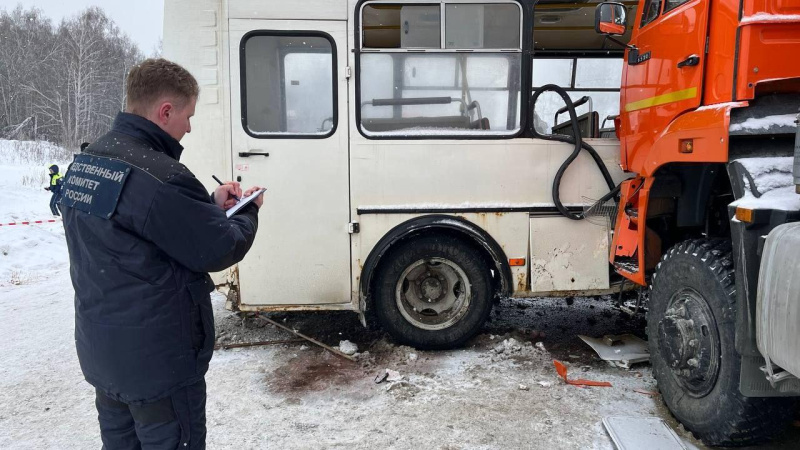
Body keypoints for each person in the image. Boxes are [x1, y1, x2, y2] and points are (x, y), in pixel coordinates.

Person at [60, 58, 263, 449]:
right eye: (187, 116)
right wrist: (248, 210)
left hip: (105, 355)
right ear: (165, 111)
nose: (188, 127)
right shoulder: (161, 176)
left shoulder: (89, 161)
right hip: (158, 365)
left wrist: (207, 205)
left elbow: (137, 231)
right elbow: (219, 247)